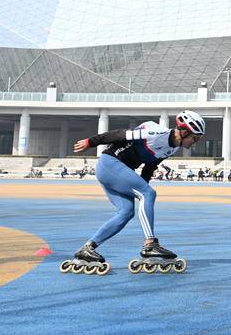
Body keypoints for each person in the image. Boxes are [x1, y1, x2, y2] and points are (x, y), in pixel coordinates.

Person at [66, 110, 206, 271]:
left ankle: (88, 248)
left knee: (126, 212)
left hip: (118, 171)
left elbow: (150, 167)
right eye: (195, 138)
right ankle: (150, 244)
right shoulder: (155, 133)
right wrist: (90, 142)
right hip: (110, 164)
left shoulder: (172, 148)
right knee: (149, 193)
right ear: (184, 132)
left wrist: (142, 190)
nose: (195, 142)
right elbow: (118, 135)